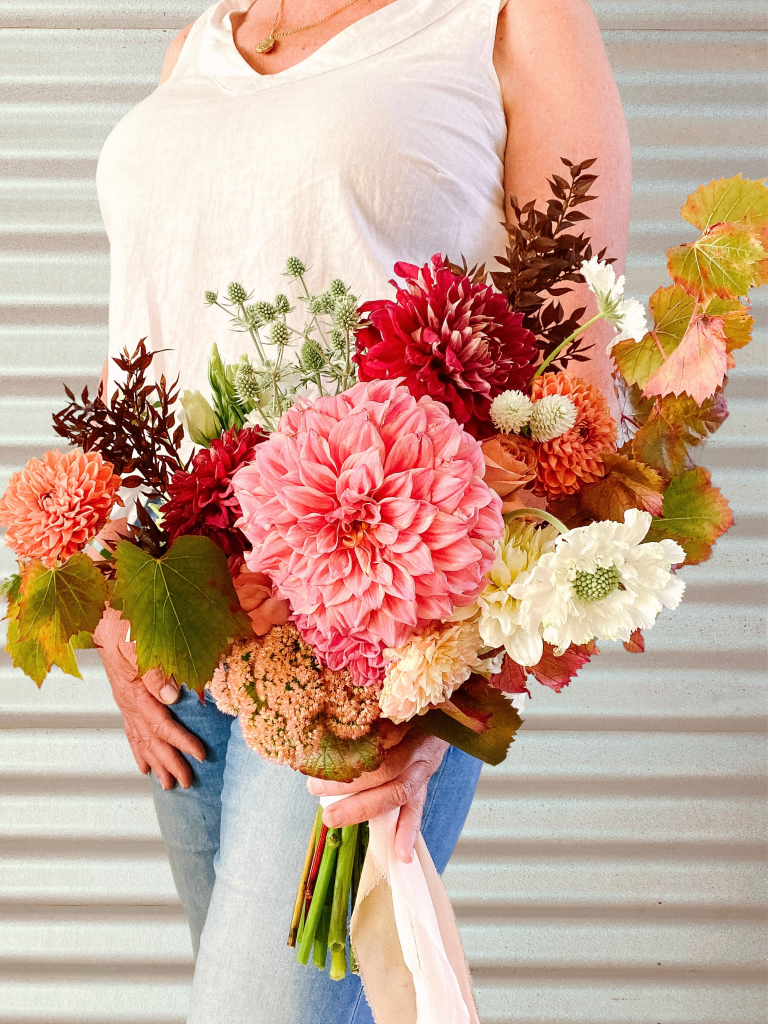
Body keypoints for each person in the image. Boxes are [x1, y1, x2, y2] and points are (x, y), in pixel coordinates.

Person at [93, 0, 630, 1019]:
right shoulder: (204, 41)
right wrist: (126, 590)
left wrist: (440, 682)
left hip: (367, 659)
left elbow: (577, 389)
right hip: (187, 641)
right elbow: (154, 318)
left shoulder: (512, 19)